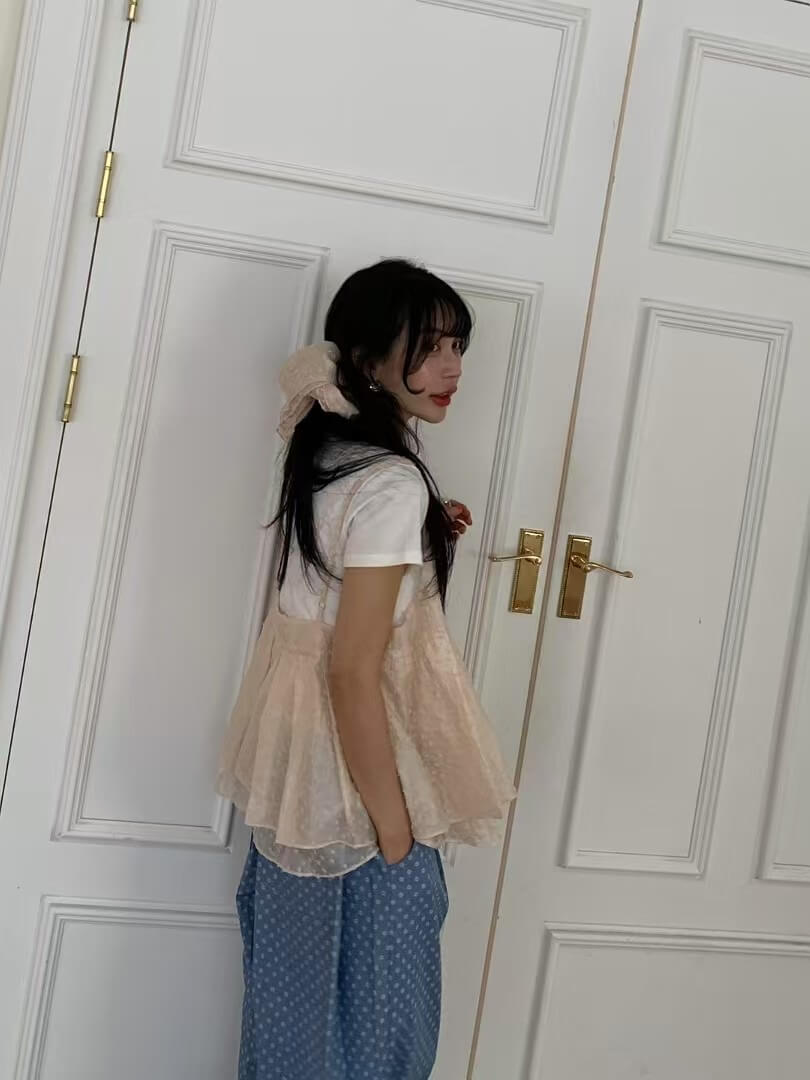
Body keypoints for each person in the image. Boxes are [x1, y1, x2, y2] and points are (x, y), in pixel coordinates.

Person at [217, 258, 517, 1079]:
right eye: (430, 347)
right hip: (361, 785)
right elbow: (352, 671)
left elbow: (327, 587)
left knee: (292, 1017)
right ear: (369, 360)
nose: (452, 369)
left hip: (299, 784)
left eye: (457, 347)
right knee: (382, 1035)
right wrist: (396, 833)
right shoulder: (389, 482)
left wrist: (423, 528)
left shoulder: (324, 449)